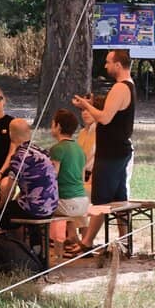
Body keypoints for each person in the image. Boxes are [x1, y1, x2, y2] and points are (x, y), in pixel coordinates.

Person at [73, 49, 137, 253]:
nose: (106, 66)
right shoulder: (127, 86)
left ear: (118, 64)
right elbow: (111, 112)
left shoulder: (120, 87)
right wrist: (92, 105)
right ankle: (125, 241)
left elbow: (104, 118)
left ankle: (86, 243)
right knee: (119, 199)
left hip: (111, 153)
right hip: (118, 150)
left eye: (109, 62)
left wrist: (85, 105)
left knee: (101, 200)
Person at [0, 120, 58, 234]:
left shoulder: (19, 157)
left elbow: (10, 190)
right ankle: (35, 246)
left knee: (2, 216)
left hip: (35, 209)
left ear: (11, 134)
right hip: (52, 206)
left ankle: (15, 246)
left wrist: (1, 207)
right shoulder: (42, 152)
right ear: (29, 132)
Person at [48, 109, 89, 256]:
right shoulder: (80, 150)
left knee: (40, 207)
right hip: (83, 202)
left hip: (66, 202)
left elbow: (52, 178)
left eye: (53, 123)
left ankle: (56, 242)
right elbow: (82, 177)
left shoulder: (57, 149)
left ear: (58, 126)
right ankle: (71, 237)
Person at [75, 95, 103, 194]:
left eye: (88, 109)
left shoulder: (101, 133)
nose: (85, 113)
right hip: (80, 176)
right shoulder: (82, 133)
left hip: (96, 178)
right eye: (83, 110)